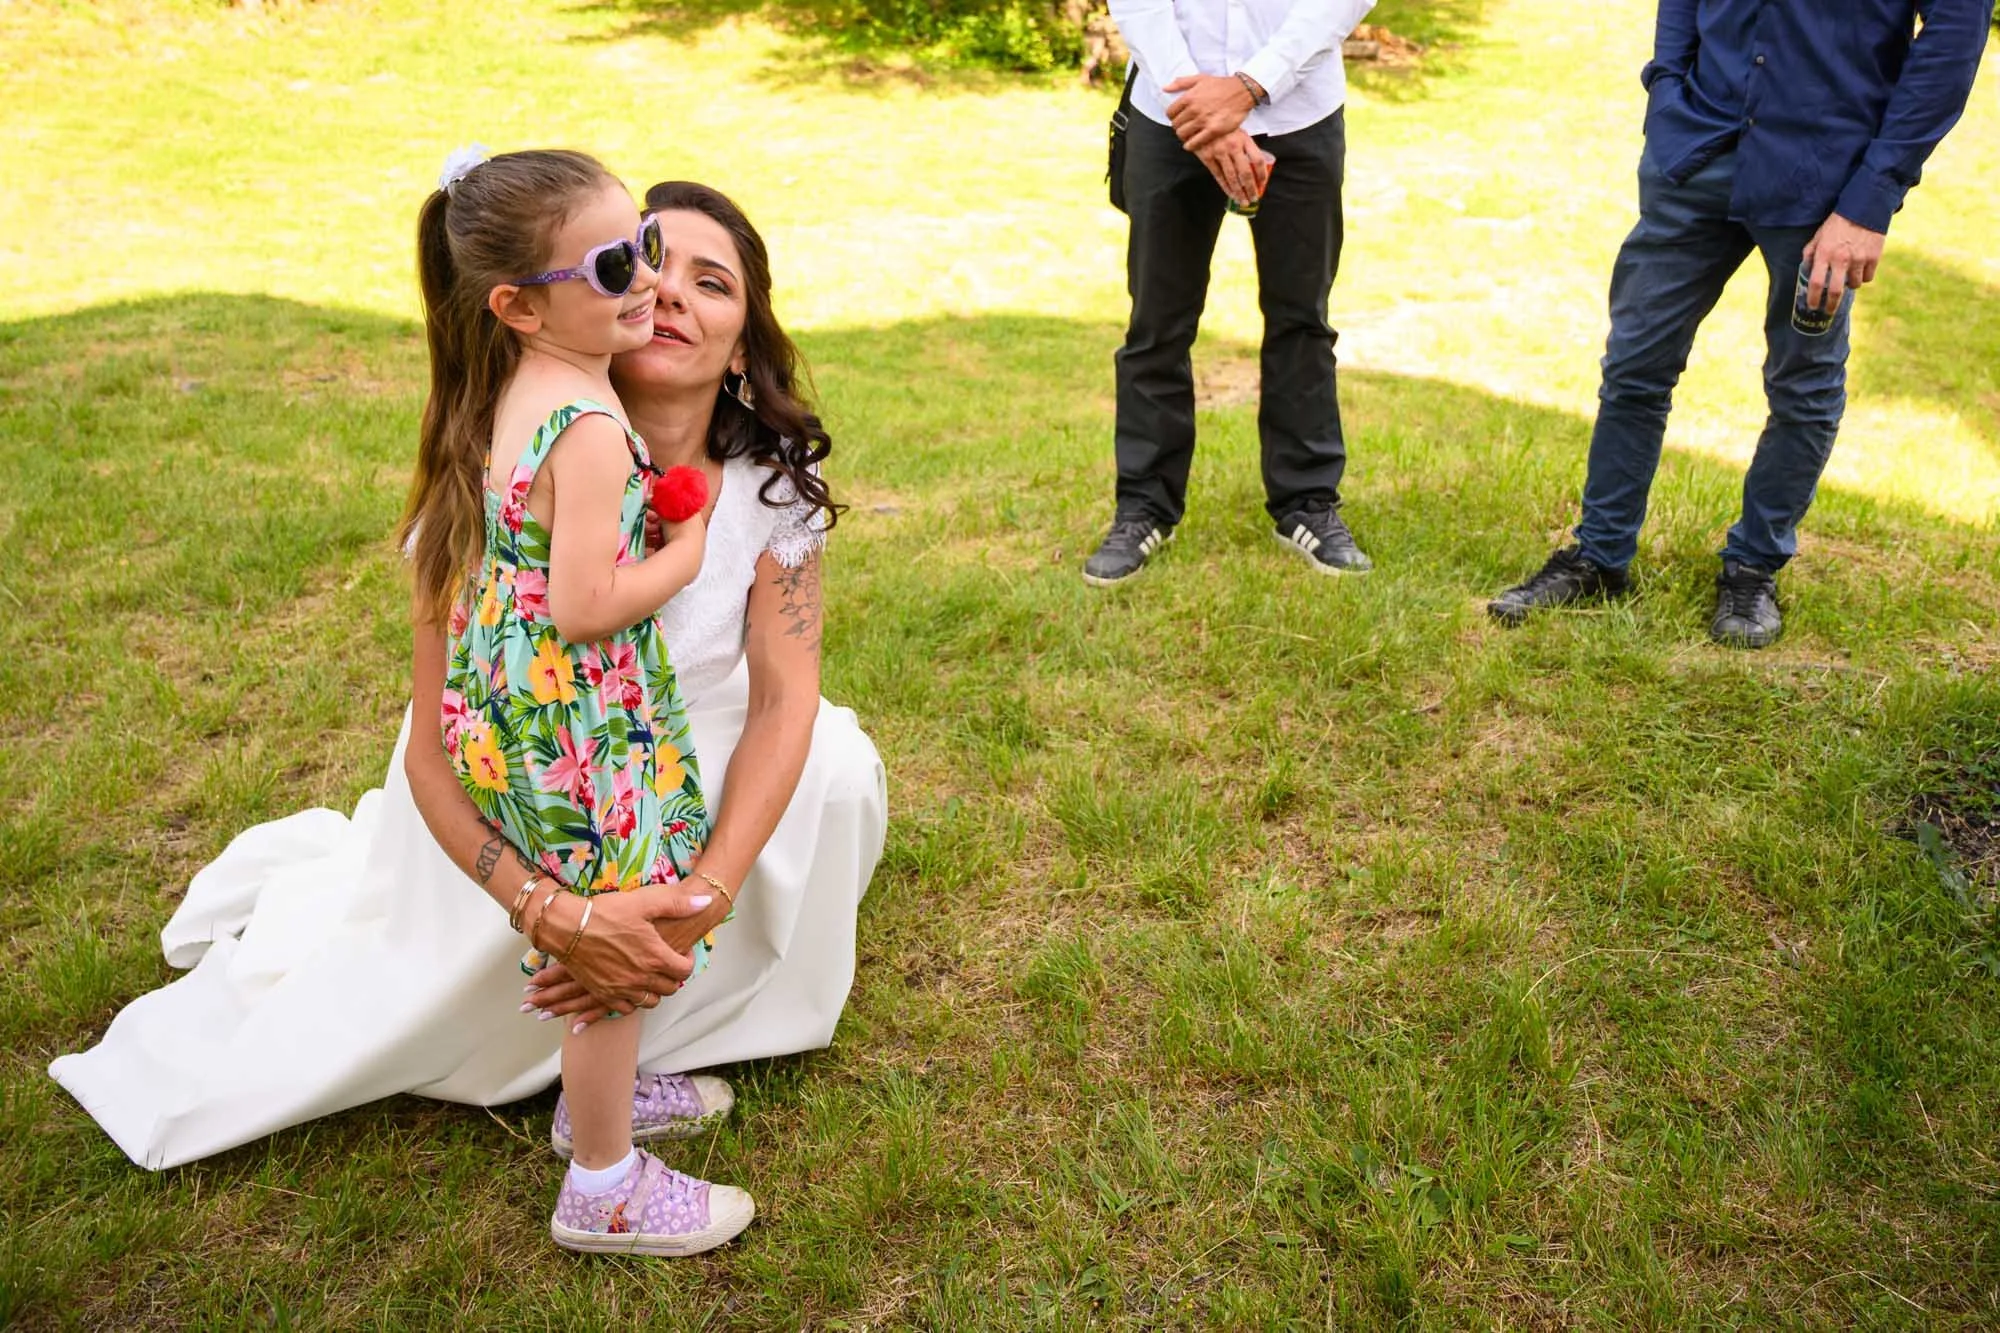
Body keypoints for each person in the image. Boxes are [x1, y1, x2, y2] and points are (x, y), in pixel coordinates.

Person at [48, 179, 887, 1204]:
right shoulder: (512, 453)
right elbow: (428, 745)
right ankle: (593, 1129)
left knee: (832, 762)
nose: (667, 292)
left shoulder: (762, 489)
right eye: (642, 262)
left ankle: (642, 1039)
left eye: (708, 281)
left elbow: (780, 702)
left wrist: (694, 897)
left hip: (640, 757)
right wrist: (551, 908)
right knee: (602, 858)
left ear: (745, 339)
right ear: (589, 305)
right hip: (505, 789)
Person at [408, 146, 745, 1256]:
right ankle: (601, 1180)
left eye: (644, 243)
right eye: (615, 264)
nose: (647, 281)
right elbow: (587, 603)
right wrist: (686, 554)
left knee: (604, 906)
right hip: (582, 721)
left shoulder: (519, 387)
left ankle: (590, 1100)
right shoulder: (594, 426)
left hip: (518, 715)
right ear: (515, 305)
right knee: (621, 916)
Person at [1487, 0, 1994, 646]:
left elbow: (1955, 35)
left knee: (1803, 382)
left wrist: (1872, 198)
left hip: (1823, 181)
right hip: (1697, 151)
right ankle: (1599, 557)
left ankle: (1754, 566)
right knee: (1635, 364)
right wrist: (1667, 91)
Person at [1084, 0, 1379, 586]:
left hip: (1300, 112)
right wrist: (1198, 108)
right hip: (1171, 112)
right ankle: (1144, 506)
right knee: (1157, 325)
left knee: (1302, 320)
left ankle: (1307, 503)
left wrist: (1250, 85)